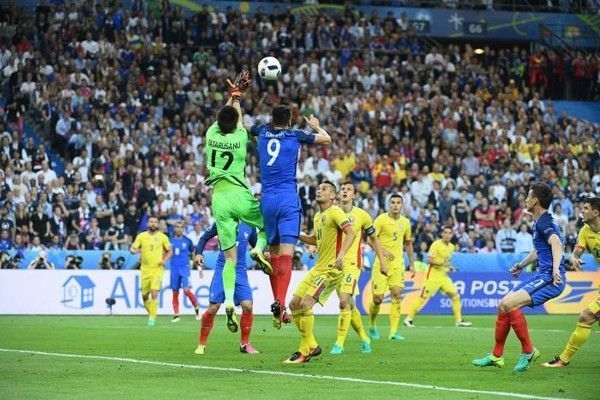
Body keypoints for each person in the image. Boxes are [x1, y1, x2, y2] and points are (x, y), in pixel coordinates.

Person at [249, 106, 331, 329]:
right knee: (286, 254)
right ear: (290, 120)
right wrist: (315, 127)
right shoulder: (296, 134)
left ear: (271, 118)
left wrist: (235, 98)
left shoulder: (262, 132)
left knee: (273, 255)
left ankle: (278, 307)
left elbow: (243, 125)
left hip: (267, 200)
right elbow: (327, 139)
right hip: (287, 199)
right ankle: (281, 303)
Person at [472, 183, 566, 372]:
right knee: (503, 305)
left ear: (535, 200)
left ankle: (528, 351)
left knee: (509, 304)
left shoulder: (544, 222)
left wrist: (556, 268)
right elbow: (539, 250)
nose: (524, 199)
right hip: (542, 275)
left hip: (550, 278)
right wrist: (521, 265)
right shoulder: (539, 222)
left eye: (527, 196)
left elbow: (556, 244)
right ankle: (496, 356)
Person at [204, 71, 272, 332]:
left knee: (230, 258)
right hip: (239, 194)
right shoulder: (240, 137)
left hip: (219, 200)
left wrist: (233, 97)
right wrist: (238, 98)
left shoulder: (211, 134)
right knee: (266, 223)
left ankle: (229, 304)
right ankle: (259, 249)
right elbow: (238, 120)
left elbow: (226, 117)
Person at [284, 181, 356, 364]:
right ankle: (311, 345)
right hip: (318, 268)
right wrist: (296, 234)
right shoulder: (318, 216)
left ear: (333, 196)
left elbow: (351, 233)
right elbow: (315, 240)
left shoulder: (336, 211)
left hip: (331, 270)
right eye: (318, 188)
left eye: (324, 189)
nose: (319, 191)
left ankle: (304, 350)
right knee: (294, 304)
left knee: (306, 303)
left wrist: (341, 255)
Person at [330, 182, 389, 355]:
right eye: (343, 189)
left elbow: (374, 239)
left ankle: (339, 344)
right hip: (333, 264)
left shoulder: (362, 215)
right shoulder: (332, 212)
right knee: (350, 303)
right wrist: (313, 247)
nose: (345, 191)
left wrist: (383, 262)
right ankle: (364, 337)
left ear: (354, 195)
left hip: (352, 264)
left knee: (343, 301)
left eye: (349, 190)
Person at [541, 196, 599, 367]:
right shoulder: (585, 231)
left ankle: (563, 359)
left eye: (586, 208)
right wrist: (574, 258)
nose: (582, 211)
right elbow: (577, 251)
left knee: (586, 316)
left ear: (596, 212)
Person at [194, 222, 259, 355]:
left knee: (248, 306)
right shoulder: (223, 221)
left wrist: (263, 253)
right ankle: (201, 344)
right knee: (213, 307)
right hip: (223, 265)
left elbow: (257, 245)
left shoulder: (249, 225)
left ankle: (245, 344)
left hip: (240, 269)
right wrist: (198, 253)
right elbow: (204, 238)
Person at [404, 226, 472, 328]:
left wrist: (450, 267)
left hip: (443, 276)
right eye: (446, 232)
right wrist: (442, 263)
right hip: (433, 276)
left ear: (452, 235)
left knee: (455, 295)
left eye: (450, 233)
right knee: (423, 298)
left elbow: (447, 262)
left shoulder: (451, 247)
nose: (448, 235)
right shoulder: (436, 244)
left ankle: (459, 320)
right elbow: (430, 260)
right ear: (442, 234)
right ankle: (408, 319)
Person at [369, 194, 415, 341]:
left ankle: (394, 332)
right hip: (381, 263)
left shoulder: (405, 223)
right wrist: (382, 251)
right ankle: (372, 324)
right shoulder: (381, 219)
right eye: (393, 202)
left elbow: (408, 244)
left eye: (398, 203)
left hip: (397, 264)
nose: (395, 205)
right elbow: (370, 239)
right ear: (389, 204)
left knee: (396, 294)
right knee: (377, 299)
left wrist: (412, 264)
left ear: (402, 205)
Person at [130, 215, 172, 326]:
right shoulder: (141, 236)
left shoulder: (162, 237)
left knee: (154, 293)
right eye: (151, 222)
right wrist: (133, 250)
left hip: (157, 269)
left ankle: (152, 319)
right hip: (145, 270)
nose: (153, 224)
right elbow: (133, 248)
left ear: (157, 224)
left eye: (155, 222)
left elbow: (169, 251)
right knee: (144, 296)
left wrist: (164, 260)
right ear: (148, 224)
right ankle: (152, 313)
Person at [169, 221, 200, 323]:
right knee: (175, 292)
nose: (179, 229)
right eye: (177, 227)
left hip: (184, 268)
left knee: (186, 290)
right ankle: (176, 314)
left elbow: (193, 254)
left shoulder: (188, 241)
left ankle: (197, 309)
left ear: (183, 229)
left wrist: (195, 265)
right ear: (174, 229)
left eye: (181, 227)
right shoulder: (170, 241)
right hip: (174, 268)